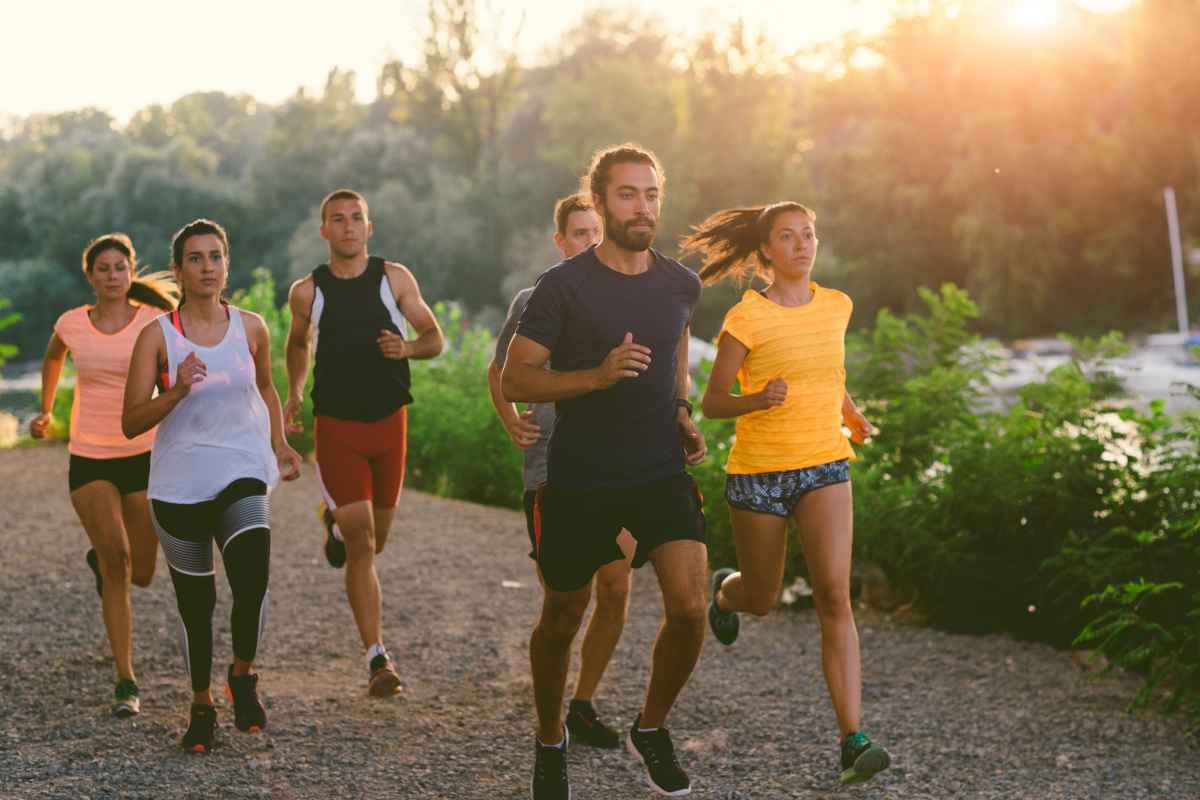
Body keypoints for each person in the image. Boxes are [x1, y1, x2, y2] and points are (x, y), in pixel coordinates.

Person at [502, 144, 708, 799]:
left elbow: (675, 347)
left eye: (651, 194)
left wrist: (680, 408)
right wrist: (595, 375)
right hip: (580, 477)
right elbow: (515, 376)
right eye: (627, 194)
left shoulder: (681, 283)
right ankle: (550, 738)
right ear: (599, 201)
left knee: (690, 609)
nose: (642, 206)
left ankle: (651, 727)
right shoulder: (564, 288)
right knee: (562, 617)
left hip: (658, 471)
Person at [682, 202, 891, 784]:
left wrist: (850, 414)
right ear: (766, 250)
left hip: (825, 464)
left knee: (833, 596)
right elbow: (714, 401)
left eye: (809, 235)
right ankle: (725, 594)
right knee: (764, 597)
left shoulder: (837, 307)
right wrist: (758, 399)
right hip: (760, 474)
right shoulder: (747, 319)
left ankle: (853, 738)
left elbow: (829, 373)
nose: (802, 245)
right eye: (788, 237)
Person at [123, 219, 302, 753]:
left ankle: (242, 674)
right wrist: (175, 391)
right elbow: (132, 421)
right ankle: (202, 705)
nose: (207, 267)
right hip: (178, 485)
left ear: (227, 264)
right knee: (195, 606)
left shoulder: (251, 327)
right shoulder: (157, 336)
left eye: (216, 256)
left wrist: (281, 443)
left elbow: (267, 388)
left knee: (252, 580)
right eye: (196, 259)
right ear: (178, 270)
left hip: (242, 468)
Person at [283, 189, 444, 697]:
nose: (349, 227)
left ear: (368, 228)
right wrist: (292, 392)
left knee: (378, 537)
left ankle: (334, 524)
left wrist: (407, 348)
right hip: (337, 427)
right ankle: (378, 657)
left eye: (357, 219)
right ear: (324, 230)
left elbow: (434, 338)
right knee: (364, 543)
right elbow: (295, 342)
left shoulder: (394, 278)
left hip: (389, 423)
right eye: (338, 219)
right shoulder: (308, 291)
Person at [488, 192, 633, 749]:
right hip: (551, 466)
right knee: (564, 602)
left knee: (616, 588)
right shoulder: (535, 298)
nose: (591, 243)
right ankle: (551, 708)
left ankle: (583, 703)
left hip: (619, 464)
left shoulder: (629, 297)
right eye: (580, 233)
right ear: (561, 241)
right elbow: (499, 371)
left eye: (599, 232)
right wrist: (510, 424)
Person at [30, 233, 177, 718]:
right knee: (118, 562)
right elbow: (53, 356)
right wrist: (47, 410)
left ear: (130, 272)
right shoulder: (73, 324)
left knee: (143, 572)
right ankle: (126, 680)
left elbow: (167, 380)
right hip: (90, 455)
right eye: (103, 269)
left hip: (143, 454)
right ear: (89, 275)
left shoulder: (153, 323)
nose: (112, 276)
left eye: (120, 268)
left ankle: (103, 562)